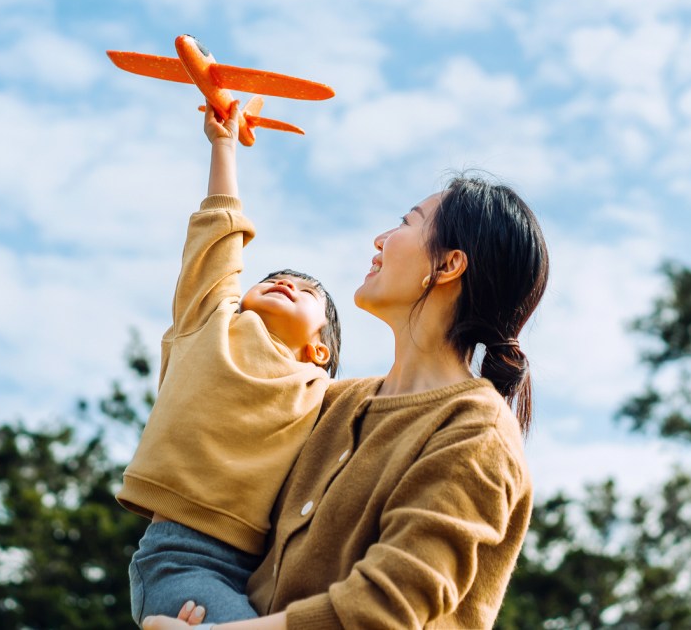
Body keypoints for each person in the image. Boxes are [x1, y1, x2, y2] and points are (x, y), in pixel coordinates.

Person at [146, 172, 548, 630]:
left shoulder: (476, 431)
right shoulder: (329, 402)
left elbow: (384, 609)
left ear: (448, 266)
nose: (380, 239)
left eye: (406, 222)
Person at [119, 100, 342, 627]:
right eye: (274, 278)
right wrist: (223, 145)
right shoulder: (211, 323)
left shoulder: (319, 391)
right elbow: (217, 236)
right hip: (179, 558)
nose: (288, 282)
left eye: (309, 292)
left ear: (320, 350)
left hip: (262, 572)